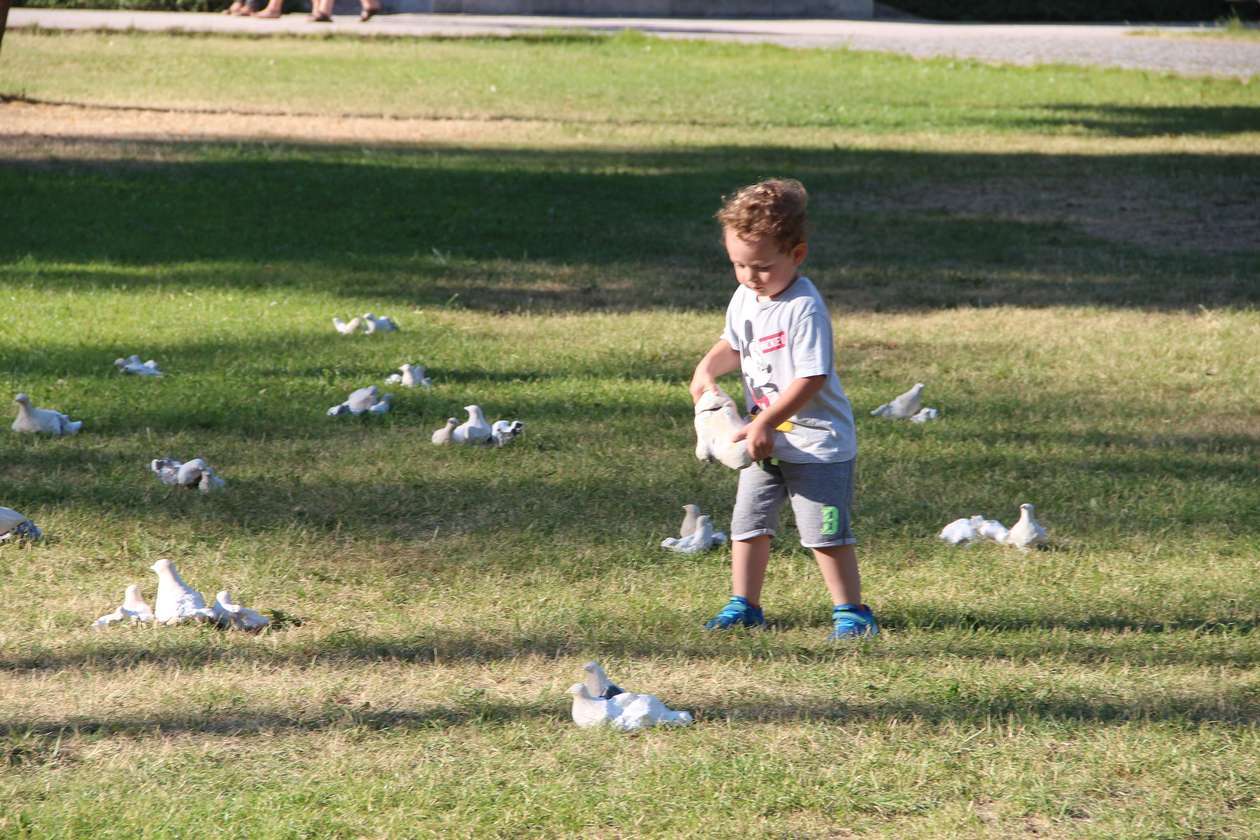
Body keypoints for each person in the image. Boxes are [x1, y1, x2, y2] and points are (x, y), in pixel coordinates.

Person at [688, 178, 877, 640]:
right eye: (738, 265)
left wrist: (766, 420)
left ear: (797, 254)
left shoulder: (803, 308)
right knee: (747, 525)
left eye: (763, 267)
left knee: (824, 533)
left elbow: (811, 378)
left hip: (817, 444)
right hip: (764, 438)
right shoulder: (746, 298)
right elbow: (733, 344)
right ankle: (745, 604)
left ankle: (851, 611)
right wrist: (706, 370)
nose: (751, 276)